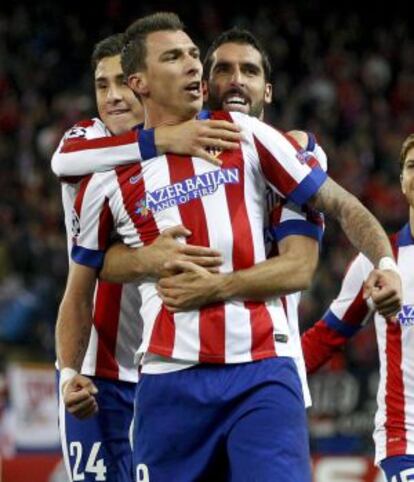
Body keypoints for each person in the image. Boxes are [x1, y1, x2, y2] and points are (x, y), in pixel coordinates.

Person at [63, 13, 401, 481]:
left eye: (191, 55)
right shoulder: (110, 177)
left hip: (262, 369)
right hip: (168, 379)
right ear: (139, 82)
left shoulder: (249, 136)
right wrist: (68, 371)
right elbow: (87, 275)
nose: (192, 65)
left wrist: (386, 262)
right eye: (173, 57)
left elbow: (342, 207)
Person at [54, 32, 228, 482]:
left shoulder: (189, 144)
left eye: (121, 84)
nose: (111, 97)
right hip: (99, 375)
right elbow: (62, 160)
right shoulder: (89, 145)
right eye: (100, 85)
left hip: (168, 367)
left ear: (144, 83)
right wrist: (163, 138)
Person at [301, 133, 414, 482]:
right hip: (405, 439)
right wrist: (265, 372)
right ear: (402, 181)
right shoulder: (381, 262)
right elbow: (326, 337)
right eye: (412, 166)